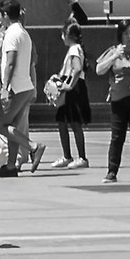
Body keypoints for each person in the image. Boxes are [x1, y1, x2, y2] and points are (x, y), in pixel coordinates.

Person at [96, 21, 130, 183]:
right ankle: (112, 171)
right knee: (117, 137)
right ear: (121, 35)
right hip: (118, 100)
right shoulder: (114, 51)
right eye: (126, 33)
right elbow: (99, 70)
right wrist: (114, 56)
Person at [0, 0, 38, 177]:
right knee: (11, 125)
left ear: (4, 15)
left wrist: (4, 88)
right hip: (25, 86)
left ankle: (33, 146)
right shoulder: (24, 33)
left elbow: (10, 63)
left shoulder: (11, 34)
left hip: (14, 88)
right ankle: (11, 165)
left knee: (0, 124)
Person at [49, 21, 92, 169]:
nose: (62, 37)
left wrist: (69, 85)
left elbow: (77, 68)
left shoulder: (74, 49)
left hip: (73, 90)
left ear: (69, 35)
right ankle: (67, 156)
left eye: (64, 34)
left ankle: (82, 157)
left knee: (75, 123)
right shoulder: (75, 49)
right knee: (62, 121)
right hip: (69, 87)